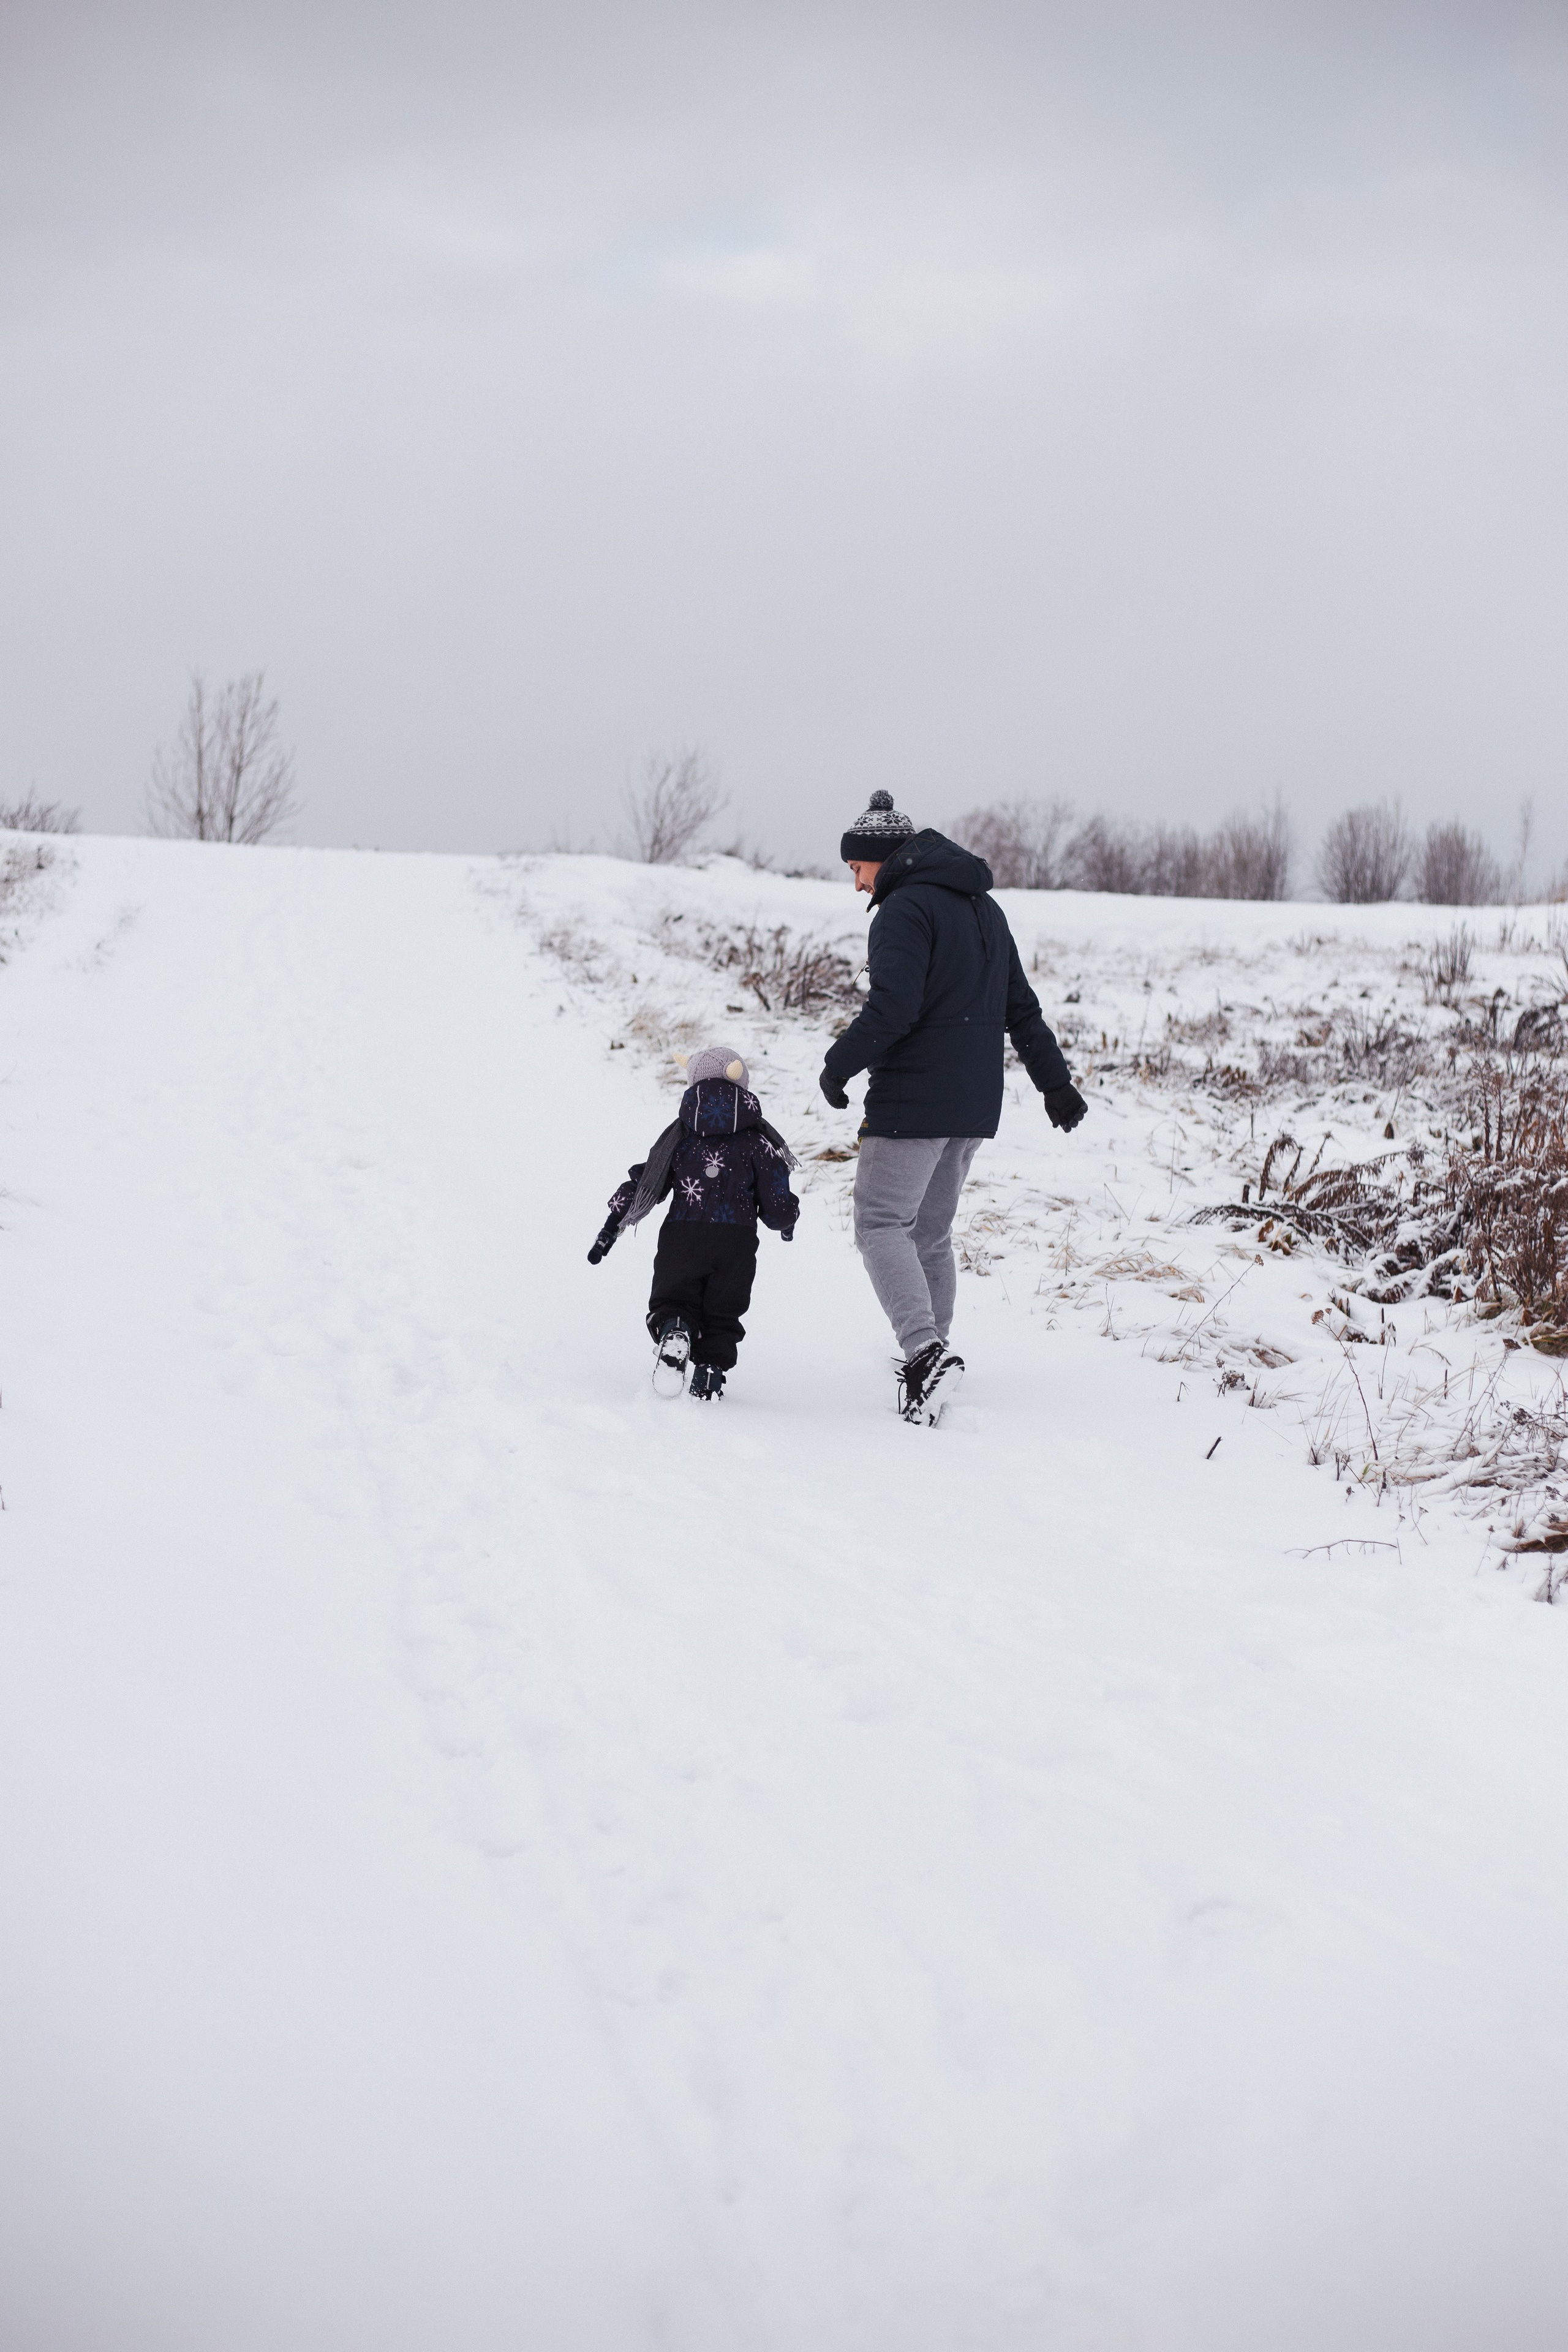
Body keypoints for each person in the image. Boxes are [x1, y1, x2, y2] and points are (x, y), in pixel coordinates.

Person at [819, 790, 1087, 1422]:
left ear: (880, 861)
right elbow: (1020, 1006)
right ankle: (932, 1356)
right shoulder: (983, 908)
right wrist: (1056, 1084)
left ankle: (923, 1355)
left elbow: (893, 1008)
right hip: (972, 1104)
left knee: (881, 1225)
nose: (857, 887)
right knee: (929, 1234)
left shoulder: (902, 910)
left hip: (914, 1099)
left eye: (856, 871)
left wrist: (838, 1065)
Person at [587, 1044, 800, 1401]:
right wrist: (787, 1220)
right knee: (723, 1313)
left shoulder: (680, 1136)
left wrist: (614, 1221)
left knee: (674, 1299)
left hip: (682, 1236)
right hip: (737, 1242)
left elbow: (647, 1183)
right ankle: (710, 1377)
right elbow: (776, 1202)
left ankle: (676, 1328)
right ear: (741, 1084)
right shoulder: (759, 1142)